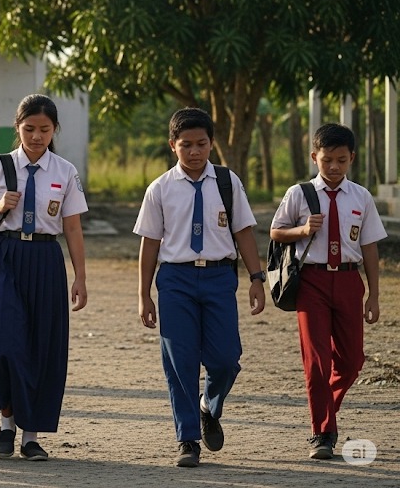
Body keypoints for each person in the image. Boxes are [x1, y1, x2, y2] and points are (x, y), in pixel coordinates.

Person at [133, 107, 266, 468]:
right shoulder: (159, 189)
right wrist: (144, 294)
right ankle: (187, 439)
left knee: (225, 359)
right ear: (172, 145)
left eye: (202, 144)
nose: (194, 151)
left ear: (212, 144)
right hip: (175, 280)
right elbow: (150, 244)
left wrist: (257, 278)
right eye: (186, 144)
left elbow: (243, 232)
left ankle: (209, 404)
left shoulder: (227, 181)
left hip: (220, 277)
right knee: (181, 362)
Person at [0, 94, 88, 462]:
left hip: (45, 258)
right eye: (29, 128)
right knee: (4, 340)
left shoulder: (65, 171)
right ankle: (6, 423)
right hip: (3, 256)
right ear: (17, 128)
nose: (36, 136)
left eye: (44, 130)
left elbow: (72, 226)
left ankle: (30, 435)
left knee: (41, 344)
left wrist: (80, 276)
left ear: (54, 131)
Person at [269, 123, 386, 460]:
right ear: (314, 157)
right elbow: (276, 232)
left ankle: (327, 409)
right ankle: (322, 433)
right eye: (326, 160)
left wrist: (373, 295)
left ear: (351, 158)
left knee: (351, 362)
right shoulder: (300, 193)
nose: (333, 167)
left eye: (341, 160)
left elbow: (370, 248)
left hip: (349, 281)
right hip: (312, 282)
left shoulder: (361, 197)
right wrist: (303, 229)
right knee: (317, 360)